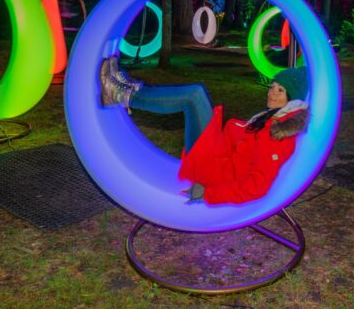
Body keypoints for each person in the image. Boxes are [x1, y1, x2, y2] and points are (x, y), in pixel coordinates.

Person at [100, 58, 309, 205]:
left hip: (212, 167)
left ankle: (121, 95)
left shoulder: (279, 135)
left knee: (194, 95)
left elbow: (256, 187)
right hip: (217, 152)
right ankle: (131, 89)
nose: (271, 92)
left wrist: (208, 193)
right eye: (272, 86)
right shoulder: (274, 117)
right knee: (198, 93)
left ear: (293, 98)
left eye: (280, 90)